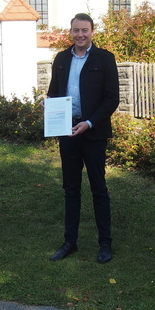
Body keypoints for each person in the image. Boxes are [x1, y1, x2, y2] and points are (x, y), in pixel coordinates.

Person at [47, 13, 120, 264]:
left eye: (85, 30)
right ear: (70, 32)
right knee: (71, 189)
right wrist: (50, 109)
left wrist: (89, 123)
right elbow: (54, 93)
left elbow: (112, 98)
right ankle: (70, 242)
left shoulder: (105, 59)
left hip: (94, 132)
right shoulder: (61, 59)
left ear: (92, 32)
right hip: (68, 132)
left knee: (99, 189)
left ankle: (105, 244)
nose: (80, 35)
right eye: (76, 30)